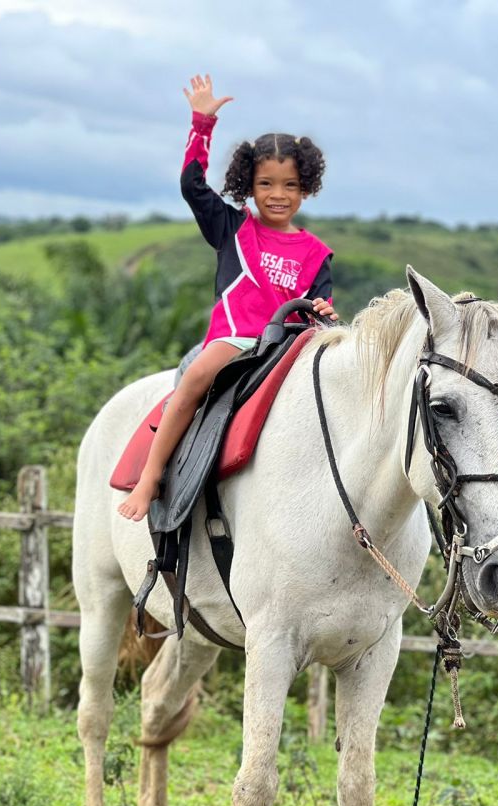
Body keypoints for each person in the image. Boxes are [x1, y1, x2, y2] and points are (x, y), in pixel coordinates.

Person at [117, 73, 337, 520]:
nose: (278, 195)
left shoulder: (317, 252)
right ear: (248, 187)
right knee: (195, 379)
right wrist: (202, 123)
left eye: (290, 185)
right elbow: (192, 186)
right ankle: (151, 477)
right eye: (267, 184)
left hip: (289, 348)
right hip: (235, 340)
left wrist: (325, 313)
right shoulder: (233, 229)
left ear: (306, 188)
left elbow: (321, 310)